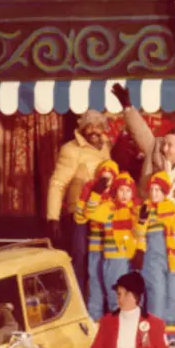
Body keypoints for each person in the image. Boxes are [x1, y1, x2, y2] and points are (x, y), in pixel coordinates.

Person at [111, 83, 175, 218]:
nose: (164, 148)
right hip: (147, 213)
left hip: (174, 217)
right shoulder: (155, 148)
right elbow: (141, 132)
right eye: (164, 143)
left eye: (170, 145)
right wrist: (128, 108)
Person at [46, 110, 112, 249]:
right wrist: (53, 217)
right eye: (89, 126)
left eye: (98, 126)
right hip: (80, 212)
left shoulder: (105, 147)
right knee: (81, 255)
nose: (94, 131)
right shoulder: (71, 149)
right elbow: (58, 184)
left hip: (102, 211)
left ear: (103, 129)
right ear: (82, 128)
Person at [133, 171, 175, 342]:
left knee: (170, 294)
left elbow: (172, 221)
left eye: (158, 190)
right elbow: (138, 234)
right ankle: (154, 334)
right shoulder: (144, 209)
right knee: (157, 294)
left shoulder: (170, 207)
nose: (154, 194)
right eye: (152, 190)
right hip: (152, 258)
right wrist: (141, 221)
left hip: (170, 256)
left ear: (164, 192)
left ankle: (169, 332)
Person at [85, 172, 138, 315]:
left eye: (128, 191)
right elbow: (90, 213)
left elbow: (140, 231)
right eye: (121, 190)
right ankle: (115, 326)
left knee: (132, 296)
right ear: (115, 191)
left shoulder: (135, 210)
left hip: (131, 259)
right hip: (112, 259)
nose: (125, 194)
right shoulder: (109, 208)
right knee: (114, 295)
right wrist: (96, 194)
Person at [73, 160, 119, 315]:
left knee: (114, 283)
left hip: (114, 248)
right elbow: (80, 218)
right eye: (102, 178)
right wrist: (90, 194)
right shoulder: (93, 191)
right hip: (96, 245)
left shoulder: (118, 193)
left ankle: (116, 318)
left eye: (109, 179)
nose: (105, 182)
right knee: (95, 282)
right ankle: (95, 318)